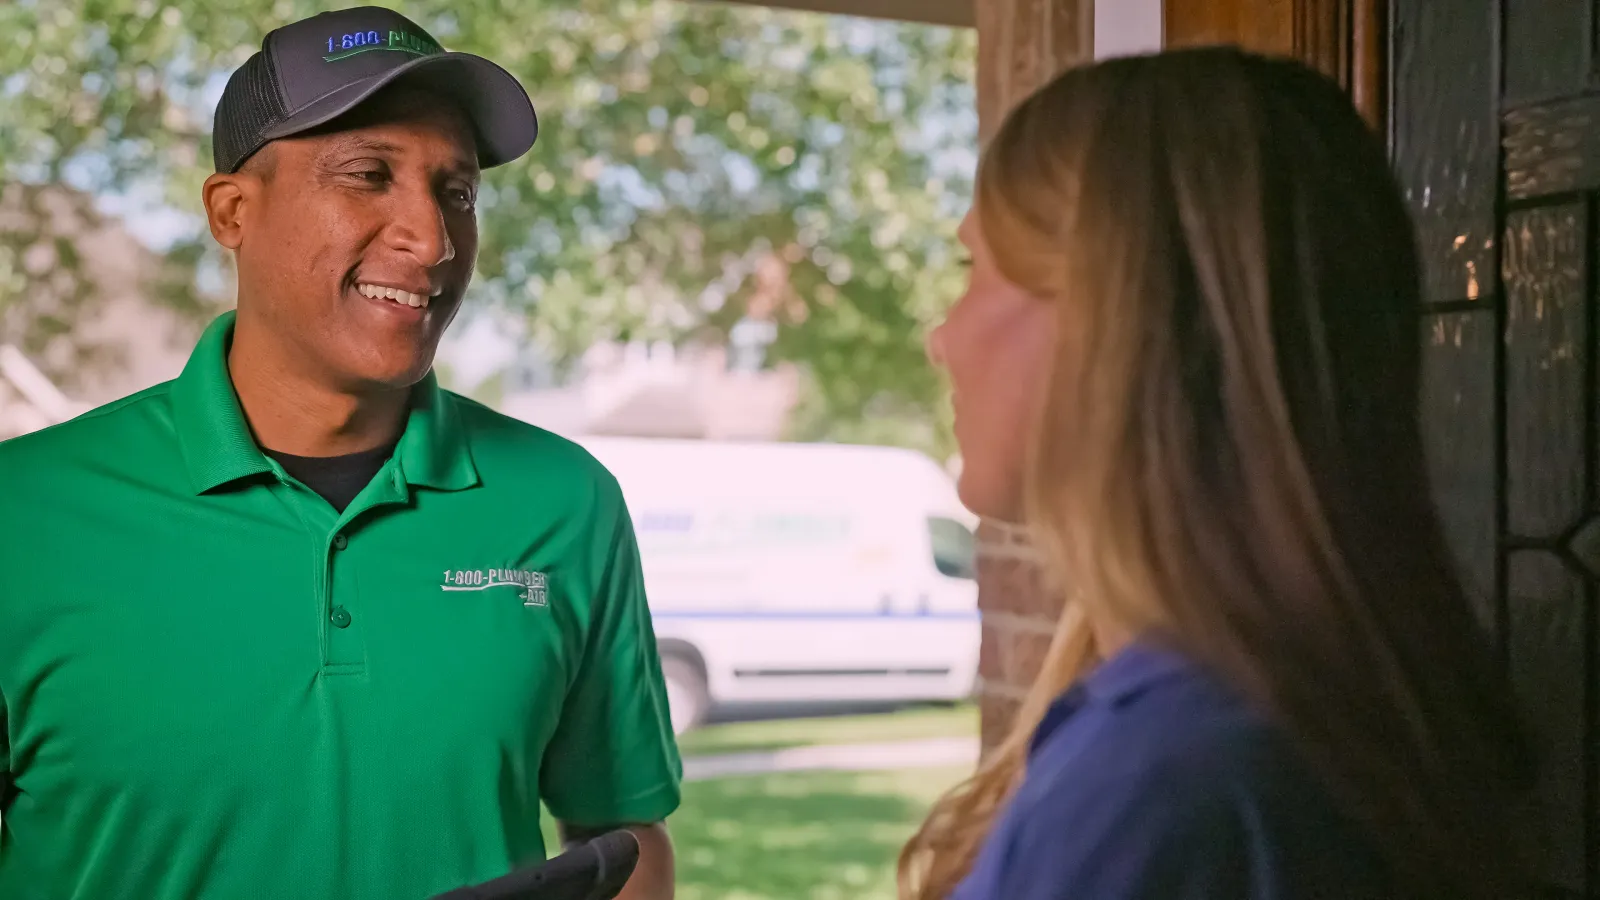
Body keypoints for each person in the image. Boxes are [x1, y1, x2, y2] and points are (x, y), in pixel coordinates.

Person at [0, 7, 680, 899]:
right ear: (231, 210)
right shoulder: (24, 512)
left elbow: (624, 832)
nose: (432, 240)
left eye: (458, 192)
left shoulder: (566, 502)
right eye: (369, 174)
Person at [900, 47, 1533, 900]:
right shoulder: (1312, 717)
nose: (943, 337)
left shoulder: (1161, 786)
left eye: (973, 269)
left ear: (1116, 315)